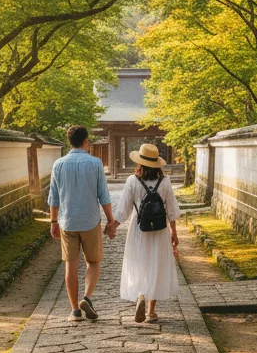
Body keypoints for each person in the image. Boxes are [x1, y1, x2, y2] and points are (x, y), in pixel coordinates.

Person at [47, 125, 119, 321]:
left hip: (67, 222)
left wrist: (53, 221)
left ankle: (74, 310)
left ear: (69, 142)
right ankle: (86, 297)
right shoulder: (95, 163)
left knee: (70, 265)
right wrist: (111, 220)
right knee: (93, 262)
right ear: (86, 141)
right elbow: (103, 196)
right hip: (90, 221)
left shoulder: (58, 164)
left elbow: (53, 197)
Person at [113, 142, 181, 323]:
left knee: (139, 263)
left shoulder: (132, 181)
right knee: (156, 265)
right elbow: (172, 210)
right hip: (160, 230)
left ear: (140, 163)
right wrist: (174, 233)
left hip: (138, 229)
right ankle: (151, 312)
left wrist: (112, 226)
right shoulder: (165, 182)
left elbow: (123, 210)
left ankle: (141, 294)